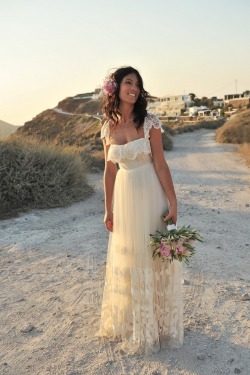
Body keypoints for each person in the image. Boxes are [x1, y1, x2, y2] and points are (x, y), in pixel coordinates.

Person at [97, 66, 183, 355]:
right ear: (116, 88)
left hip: (149, 190)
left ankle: (156, 323)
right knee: (131, 255)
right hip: (124, 195)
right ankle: (135, 319)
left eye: (137, 84)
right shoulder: (107, 127)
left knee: (152, 255)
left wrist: (173, 201)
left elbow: (160, 164)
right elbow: (109, 172)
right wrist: (108, 210)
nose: (133, 88)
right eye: (128, 82)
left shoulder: (150, 122)